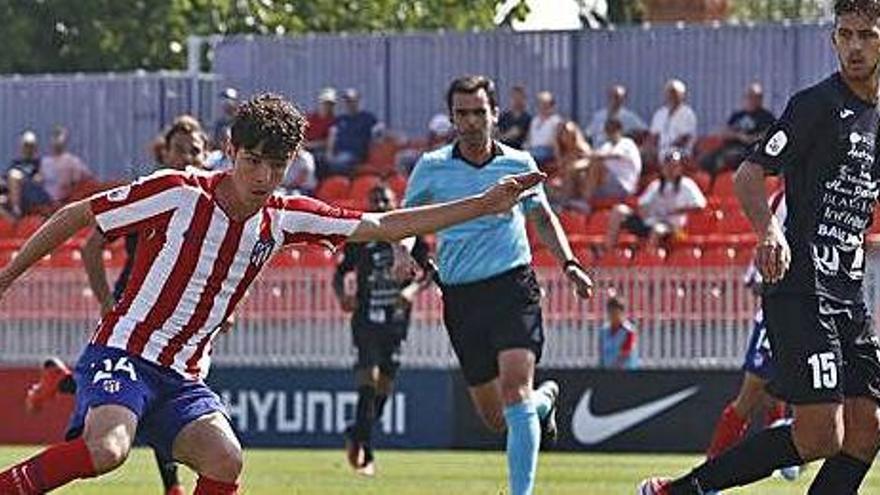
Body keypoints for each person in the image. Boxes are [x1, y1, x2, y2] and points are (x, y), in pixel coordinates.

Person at [0, 92, 544, 495]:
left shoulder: (284, 217)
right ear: (230, 152)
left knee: (225, 461)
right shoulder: (177, 192)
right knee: (109, 450)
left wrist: (484, 202)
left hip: (184, 374)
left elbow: (383, 225)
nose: (262, 176)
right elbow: (77, 214)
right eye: (253, 160)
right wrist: (8, 275)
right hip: (125, 351)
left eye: (276, 164)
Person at [639, 2, 880, 493]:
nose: (855, 47)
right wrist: (769, 230)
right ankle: (681, 490)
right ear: (833, 40)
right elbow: (750, 173)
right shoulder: (815, 105)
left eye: (868, 35)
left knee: (868, 429)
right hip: (801, 287)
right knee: (820, 436)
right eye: (846, 35)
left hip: (848, 293)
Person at [405, 75, 594, 495]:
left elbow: (542, 218)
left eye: (478, 112)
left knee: (513, 392)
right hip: (460, 297)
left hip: (512, 288)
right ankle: (544, 402)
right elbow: (407, 220)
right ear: (452, 117)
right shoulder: (432, 167)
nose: (471, 121)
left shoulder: (518, 164)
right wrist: (404, 251)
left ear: (495, 114)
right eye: (462, 113)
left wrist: (569, 264)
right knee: (497, 418)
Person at [23, 116, 210, 495]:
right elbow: (92, 247)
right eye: (179, 150)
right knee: (155, 395)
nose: (187, 157)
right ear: (165, 153)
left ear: (206, 156)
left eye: (195, 151)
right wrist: (108, 304)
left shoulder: (212, 203)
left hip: (178, 323)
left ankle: (60, 381)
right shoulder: (148, 194)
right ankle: (173, 488)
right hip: (135, 315)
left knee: (146, 396)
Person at [333, 185, 436, 476]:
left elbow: (428, 271)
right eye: (374, 198)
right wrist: (343, 296)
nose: (379, 203)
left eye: (384, 199)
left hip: (396, 320)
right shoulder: (361, 236)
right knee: (368, 378)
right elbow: (340, 273)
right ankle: (366, 451)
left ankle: (357, 432)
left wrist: (413, 290)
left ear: (394, 203)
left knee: (385, 384)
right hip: (365, 318)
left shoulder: (410, 234)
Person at [703, 189, 801, 482]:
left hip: (808, 309)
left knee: (785, 393)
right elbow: (770, 246)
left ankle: (784, 453)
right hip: (778, 312)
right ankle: (709, 472)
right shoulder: (785, 197)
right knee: (751, 395)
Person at [605, 150, 706, 248]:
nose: (670, 169)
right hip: (650, 221)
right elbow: (642, 204)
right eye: (667, 165)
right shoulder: (656, 185)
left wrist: (674, 211)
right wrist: (646, 210)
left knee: (657, 230)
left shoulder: (687, 184)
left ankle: (649, 260)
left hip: (672, 226)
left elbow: (700, 205)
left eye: (674, 166)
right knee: (619, 210)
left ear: (679, 168)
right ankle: (608, 250)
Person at [698, 82, 776, 179]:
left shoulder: (767, 117)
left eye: (755, 97)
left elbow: (769, 135)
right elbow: (725, 133)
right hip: (728, 148)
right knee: (703, 160)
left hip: (748, 151)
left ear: (761, 99)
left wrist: (750, 138)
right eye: (749, 96)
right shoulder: (737, 115)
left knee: (728, 158)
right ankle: (712, 183)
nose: (751, 99)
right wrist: (739, 136)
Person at [325, 88, 379, 176]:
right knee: (320, 160)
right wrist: (329, 153)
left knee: (338, 163)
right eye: (347, 101)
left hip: (355, 154)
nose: (350, 104)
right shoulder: (340, 119)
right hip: (338, 154)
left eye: (352, 101)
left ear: (358, 101)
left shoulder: (367, 118)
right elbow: (332, 136)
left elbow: (380, 131)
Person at [647, 79, 698, 164]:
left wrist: (666, 148)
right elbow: (654, 136)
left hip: (680, 152)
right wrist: (652, 150)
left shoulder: (688, 114)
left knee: (672, 157)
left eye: (675, 93)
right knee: (643, 156)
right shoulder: (660, 113)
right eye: (669, 92)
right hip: (660, 151)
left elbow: (684, 139)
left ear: (682, 95)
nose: (672, 96)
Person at [39, 126, 93, 205]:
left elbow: (85, 179)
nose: (56, 141)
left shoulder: (72, 161)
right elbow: (39, 181)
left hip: (65, 202)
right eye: (54, 137)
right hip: (47, 204)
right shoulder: (44, 162)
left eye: (58, 137)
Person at [6, 130, 51, 218]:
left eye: (31, 146)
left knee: (14, 175)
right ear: (22, 147)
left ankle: (16, 211)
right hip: (19, 191)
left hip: (34, 190)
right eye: (26, 146)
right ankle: (13, 216)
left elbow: (40, 178)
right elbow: (6, 180)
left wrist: (24, 179)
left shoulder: (39, 162)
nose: (28, 149)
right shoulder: (15, 163)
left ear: (35, 148)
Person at [598, 297, 638, 370]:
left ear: (622, 313)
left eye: (615, 313)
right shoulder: (603, 331)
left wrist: (613, 371)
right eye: (610, 312)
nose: (613, 316)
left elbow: (625, 354)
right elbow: (602, 354)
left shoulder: (628, 331)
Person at [525, 90, 564, 167]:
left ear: (552, 105)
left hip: (547, 151)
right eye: (540, 103)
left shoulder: (556, 121)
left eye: (546, 104)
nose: (543, 106)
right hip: (533, 150)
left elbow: (557, 142)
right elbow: (529, 139)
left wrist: (559, 160)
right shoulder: (534, 120)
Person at [498, 85, 532, 150]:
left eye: (519, 98)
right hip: (502, 149)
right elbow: (496, 131)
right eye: (514, 98)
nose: (517, 101)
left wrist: (500, 138)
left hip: (518, 150)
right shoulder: (504, 116)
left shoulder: (526, 118)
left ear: (524, 99)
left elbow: (515, 133)